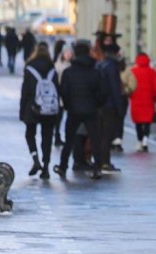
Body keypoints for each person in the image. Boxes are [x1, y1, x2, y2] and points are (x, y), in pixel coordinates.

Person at [54, 40, 106, 179]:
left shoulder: (68, 72)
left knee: (69, 139)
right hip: (91, 110)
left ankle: (63, 166)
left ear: (75, 53)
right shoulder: (96, 72)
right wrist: (96, 104)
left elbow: (63, 92)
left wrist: (68, 105)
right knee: (95, 140)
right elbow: (102, 92)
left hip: (74, 110)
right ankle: (97, 168)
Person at [20, 42, 59, 179]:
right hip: (49, 109)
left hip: (33, 107)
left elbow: (25, 91)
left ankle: (35, 159)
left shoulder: (29, 68)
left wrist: (22, 110)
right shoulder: (52, 68)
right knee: (47, 137)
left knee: (30, 134)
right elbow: (56, 89)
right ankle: (46, 167)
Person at [95, 42, 124, 174]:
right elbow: (115, 88)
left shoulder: (100, 64)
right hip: (110, 105)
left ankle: (100, 161)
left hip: (99, 104)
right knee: (107, 135)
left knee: (101, 135)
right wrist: (120, 107)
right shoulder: (112, 67)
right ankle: (105, 162)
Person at [129, 52, 156, 152]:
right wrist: (155, 98)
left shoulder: (133, 71)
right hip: (148, 101)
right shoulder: (152, 72)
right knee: (147, 121)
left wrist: (130, 96)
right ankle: (145, 140)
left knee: (138, 122)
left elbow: (129, 87)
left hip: (136, 101)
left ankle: (139, 141)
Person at [52, 42, 72, 147]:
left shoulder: (72, 65)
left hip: (69, 95)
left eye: (70, 52)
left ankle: (64, 137)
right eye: (67, 52)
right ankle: (57, 137)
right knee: (58, 118)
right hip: (59, 95)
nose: (69, 55)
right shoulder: (57, 65)